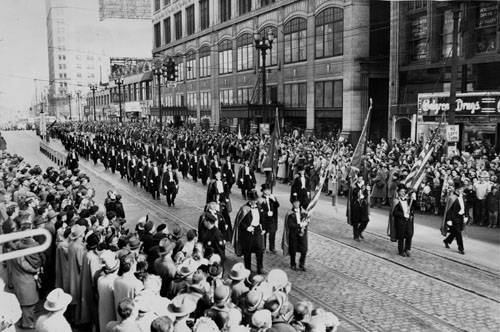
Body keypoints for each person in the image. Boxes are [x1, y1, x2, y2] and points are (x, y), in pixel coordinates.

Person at [233, 189, 265, 274]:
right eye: (252, 200)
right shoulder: (244, 208)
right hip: (248, 232)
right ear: (249, 199)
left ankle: (260, 267)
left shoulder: (259, 207)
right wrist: (247, 227)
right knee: (247, 251)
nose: (254, 202)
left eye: (255, 200)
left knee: (260, 250)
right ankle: (248, 268)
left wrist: (264, 228)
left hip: (257, 230)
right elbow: (239, 222)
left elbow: (263, 218)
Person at [282, 198, 309, 271]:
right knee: (293, 250)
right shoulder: (290, 213)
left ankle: (302, 263)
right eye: (295, 203)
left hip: (302, 234)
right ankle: (293, 264)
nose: (296, 204)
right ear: (293, 204)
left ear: (299, 203)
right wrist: (299, 225)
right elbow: (290, 224)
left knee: (304, 249)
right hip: (293, 234)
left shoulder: (303, 212)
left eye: (298, 202)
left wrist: (306, 223)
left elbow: (307, 220)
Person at [441, 179, 467, 255]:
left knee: (454, 232)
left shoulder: (463, 197)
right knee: (458, 233)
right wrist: (449, 220)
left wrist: (465, 215)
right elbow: (448, 210)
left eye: (462, 189)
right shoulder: (452, 198)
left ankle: (446, 241)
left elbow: (465, 207)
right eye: (460, 189)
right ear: (456, 189)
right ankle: (461, 248)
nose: (461, 190)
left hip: (461, 217)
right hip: (454, 218)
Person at [391, 184, 416, 257]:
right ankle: (401, 251)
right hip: (400, 221)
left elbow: (414, 207)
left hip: (408, 220)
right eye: (401, 191)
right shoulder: (396, 201)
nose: (403, 193)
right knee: (401, 236)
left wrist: (414, 198)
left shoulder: (408, 200)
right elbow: (394, 212)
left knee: (409, 234)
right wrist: (403, 215)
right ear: (398, 192)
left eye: (404, 191)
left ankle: (407, 249)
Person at [259, 183, 279, 253]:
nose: (268, 191)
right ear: (263, 191)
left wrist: (274, 199)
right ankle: (263, 247)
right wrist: (266, 213)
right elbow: (260, 210)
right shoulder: (260, 200)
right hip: (265, 219)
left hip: (272, 219)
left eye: (269, 190)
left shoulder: (272, 197)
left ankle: (272, 247)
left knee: (272, 233)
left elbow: (277, 205)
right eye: (266, 190)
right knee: (264, 233)